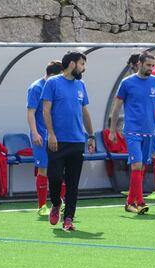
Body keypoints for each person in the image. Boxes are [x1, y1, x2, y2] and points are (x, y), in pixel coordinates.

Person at [42, 50, 95, 231]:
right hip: (57, 141)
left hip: (77, 141)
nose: (84, 68)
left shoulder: (81, 86)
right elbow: (46, 110)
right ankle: (56, 203)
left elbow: (85, 112)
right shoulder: (52, 83)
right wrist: (51, 134)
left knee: (73, 182)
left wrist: (91, 135)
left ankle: (69, 218)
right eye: (82, 64)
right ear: (72, 64)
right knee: (55, 177)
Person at [109, 51, 155, 214]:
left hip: (150, 131)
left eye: (153, 66)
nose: (150, 69)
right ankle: (140, 202)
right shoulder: (127, 83)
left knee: (142, 167)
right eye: (148, 65)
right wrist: (112, 130)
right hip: (132, 131)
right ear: (139, 64)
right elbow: (116, 107)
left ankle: (129, 202)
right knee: (136, 165)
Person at [126, 53, 155, 200]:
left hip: (151, 120)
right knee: (140, 163)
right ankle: (135, 193)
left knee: (154, 154)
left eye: (132, 67)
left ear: (137, 64)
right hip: (148, 120)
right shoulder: (152, 75)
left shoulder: (153, 77)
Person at [27, 60, 63, 216]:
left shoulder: (57, 87)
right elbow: (30, 112)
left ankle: (60, 203)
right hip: (41, 135)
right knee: (43, 168)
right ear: (53, 74)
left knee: (61, 169)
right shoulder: (36, 87)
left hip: (56, 135)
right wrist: (35, 132)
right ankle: (42, 206)